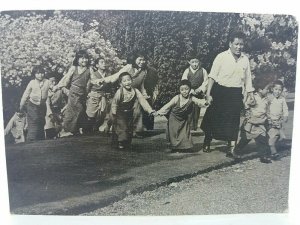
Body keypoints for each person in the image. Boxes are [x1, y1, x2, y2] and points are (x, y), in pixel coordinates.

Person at [200, 31, 254, 154]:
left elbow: (248, 79)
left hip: (235, 93)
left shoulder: (245, 59)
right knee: (213, 118)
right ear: (230, 44)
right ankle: (207, 140)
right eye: (236, 44)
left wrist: (250, 94)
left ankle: (231, 149)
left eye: (241, 44)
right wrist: (208, 94)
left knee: (233, 120)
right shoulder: (221, 57)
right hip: (220, 91)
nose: (239, 47)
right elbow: (212, 76)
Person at [100, 51, 158, 134]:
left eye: (144, 60)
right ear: (134, 59)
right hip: (123, 92)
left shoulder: (144, 71)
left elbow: (142, 85)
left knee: (137, 111)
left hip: (135, 93)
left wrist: (144, 94)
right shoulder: (128, 67)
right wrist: (105, 82)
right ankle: (108, 125)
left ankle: (136, 131)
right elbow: (116, 76)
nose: (142, 62)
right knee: (115, 113)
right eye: (140, 59)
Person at [156, 80, 207, 152]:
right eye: (182, 90)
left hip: (183, 118)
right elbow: (168, 105)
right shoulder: (177, 98)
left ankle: (186, 147)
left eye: (186, 89)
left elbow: (199, 102)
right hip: (174, 118)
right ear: (179, 90)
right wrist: (159, 112)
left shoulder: (192, 98)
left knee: (185, 133)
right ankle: (175, 148)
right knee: (174, 134)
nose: (184, 91)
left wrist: (206, 102)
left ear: (190, 89)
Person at [110, 72, 155, 149]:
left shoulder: (135, 91)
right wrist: (114, 113)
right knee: (122, 127)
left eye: (129, 80)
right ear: (121, 83)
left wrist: (150, 110)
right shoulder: (119, 92)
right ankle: (121, 142)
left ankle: (127, 143)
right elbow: (114, 103)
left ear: (132, 80)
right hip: (119, 112)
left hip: (129, 112)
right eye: (124, 81)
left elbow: (142, 100)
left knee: (129, 128)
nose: (127, 82)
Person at [232, 79, 272, 163]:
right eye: (266, 89)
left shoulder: (266, 99)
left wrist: (269, 119)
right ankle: (236, 152)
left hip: (261, 122)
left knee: (262, 140)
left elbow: (267, 110)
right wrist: (248, 106)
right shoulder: (253, 97)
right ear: (260, 90)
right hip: (251, 122)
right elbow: (246, 105)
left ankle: (263, 156)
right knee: (245, 139)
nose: (268, 90)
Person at [53, 50, 91, 135]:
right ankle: (70, 128)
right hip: (73, 93)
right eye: (82, 58)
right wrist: (58, 86)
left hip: (82, 94)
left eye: (86, 58)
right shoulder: (74, 68)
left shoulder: (89, 70)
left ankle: (76, 129)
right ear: (77, 59)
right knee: (78, 109)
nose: (84, 60)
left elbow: (93, 80)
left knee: (77, 111)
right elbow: (66, 79)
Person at [19, 66, 52, 141]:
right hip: (32, 105)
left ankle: (40, 139)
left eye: (42, 73)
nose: (40, 75)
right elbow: (26, 94)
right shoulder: (32, 83)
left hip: (42, 106)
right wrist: (21, 105)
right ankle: (31, 140)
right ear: (34, 74)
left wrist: (57, 89)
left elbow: (53, 88)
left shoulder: (47, 82)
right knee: (34, 120)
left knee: (41, 121)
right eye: (38, 73)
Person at [181, 53, 208, 131]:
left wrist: (201, 89)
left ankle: (194, 127)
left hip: (198, 93)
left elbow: (206, 82)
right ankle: (188, 127)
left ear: (199, 62)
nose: (195, 64)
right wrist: (190, 90)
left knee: (196, 110)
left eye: (196, 62)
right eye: (193, 62)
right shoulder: (187, 71)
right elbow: (184, 81)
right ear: (189, 62)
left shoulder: (203, 70)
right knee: (189, 109)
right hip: (189, 93)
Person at [85, 57, 112, 133]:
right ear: (97, 65)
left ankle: (95, 128)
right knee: (91, 114)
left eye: (105, 62)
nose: (104, 64)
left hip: (104, 96)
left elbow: (110, 86)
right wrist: (88, 95)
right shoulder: (93, 74)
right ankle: (87, 130)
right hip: (94, 95)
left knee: (102, 114)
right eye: (102, 62)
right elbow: (88, 86)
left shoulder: (108, 74)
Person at [267, 80, 289, 159]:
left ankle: (273, 150)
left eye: (280, 90)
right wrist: (268, 118)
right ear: (272, 89)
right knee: (271, 137)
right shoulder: (269, 98)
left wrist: (285, 116)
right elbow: (266, 109)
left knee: (276, 136)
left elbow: (285, 109)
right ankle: (273, 152)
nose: (278, 91)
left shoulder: (282, 99)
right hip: (270, 121)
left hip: (278, 121)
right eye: (276, 89)